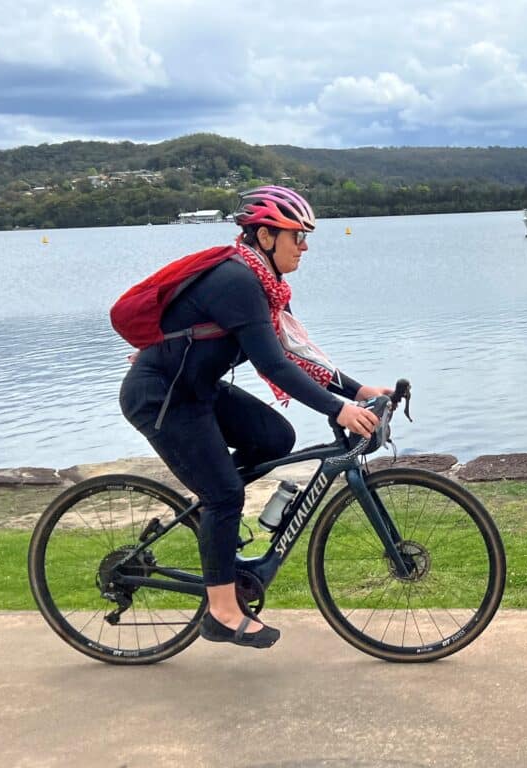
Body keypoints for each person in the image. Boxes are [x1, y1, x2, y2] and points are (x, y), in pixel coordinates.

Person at [119, 186, 390, 649]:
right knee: (225, 494)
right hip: (161, 397)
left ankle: (213, 516)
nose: (304, 247)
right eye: (297, 237)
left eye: (306, 238)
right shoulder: (238, 281)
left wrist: (360, 391)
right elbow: (273, 366)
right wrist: (340, 410)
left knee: (275, 437)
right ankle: (221, 612)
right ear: (265, 236)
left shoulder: (267, 285)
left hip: (195, 390)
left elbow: (293, 352)